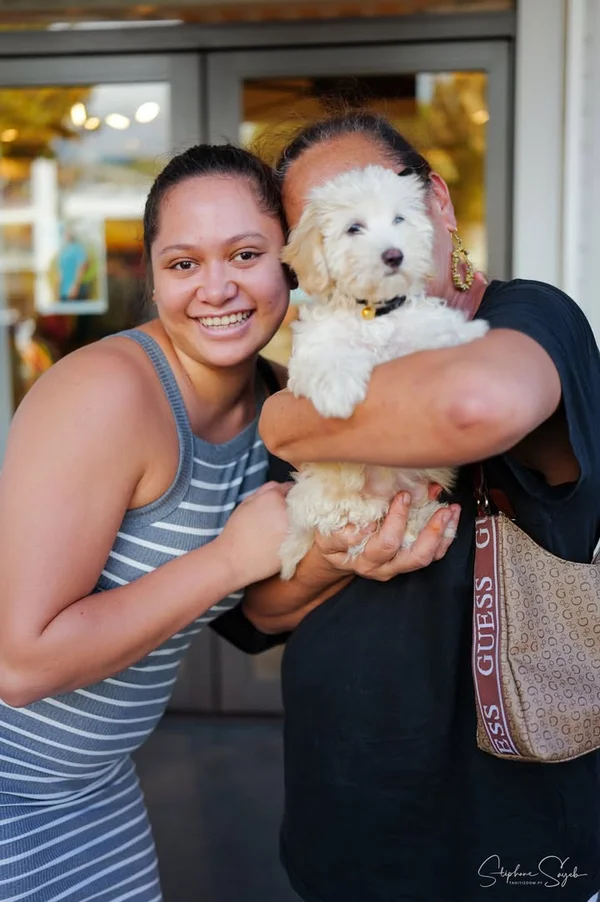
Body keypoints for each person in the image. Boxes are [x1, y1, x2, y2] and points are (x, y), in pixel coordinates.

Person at [0, 143, 371, 902]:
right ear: (153, 276)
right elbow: (21, 665)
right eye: (183, 264)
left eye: (244, 253)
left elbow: (264, 609)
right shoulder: (106, 393)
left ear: (292, 263)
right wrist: (230, 560)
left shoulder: (282, 408)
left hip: (91, 785)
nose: (217, 288)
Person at [248, 112, 600, 902]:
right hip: (346, 794)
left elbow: (472, 404)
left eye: (392, 212)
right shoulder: (316, 348)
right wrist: (333, 560)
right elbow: (262, 610)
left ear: (435, 202)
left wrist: (286, 418)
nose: (383, 243)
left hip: (516, 811)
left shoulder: (533, 318)